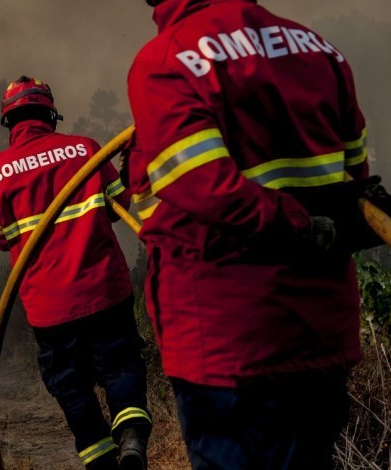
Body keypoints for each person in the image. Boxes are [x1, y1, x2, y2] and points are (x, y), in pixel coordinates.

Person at [124, 0, 389, 468]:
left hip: (231, 342)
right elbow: (356, 175)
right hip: (321, 331)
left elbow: (204, 188)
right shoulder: (318, 49)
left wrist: (298, 226)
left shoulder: (165, 61)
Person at [0, 75, 152, 470]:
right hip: (105, 293)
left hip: (49, 309)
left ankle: (100, 459)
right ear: (50, 114)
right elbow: (120, 205)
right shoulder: (85, 150)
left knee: (71, 388)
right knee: (121, 366)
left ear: (9, 121)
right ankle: (130, 438)